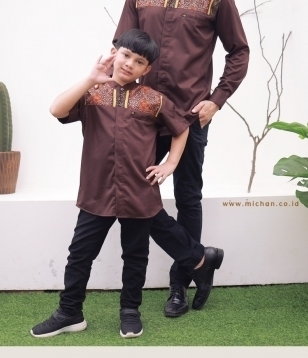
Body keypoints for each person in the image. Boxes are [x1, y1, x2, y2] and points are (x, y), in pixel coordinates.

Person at [113, 0, 250, 317]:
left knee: (188, 197)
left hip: (189, 117)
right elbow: (121, 47)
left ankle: (180, 285)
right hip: (141, 115)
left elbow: (239, 51)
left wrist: (216, 99)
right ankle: (199, 260)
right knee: (137, 197)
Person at [31, 30, 196, 339]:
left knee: (135, 256)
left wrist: (170, 164)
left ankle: (130, 311)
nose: (130, 64)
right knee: (80, 254)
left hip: (139, 192)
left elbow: (181, 127)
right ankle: (69, 312)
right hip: (96, 192)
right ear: (114, 54)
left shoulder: (153, 99)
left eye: (139, 61)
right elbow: (56, 110)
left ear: (147, 69)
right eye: (126, 55)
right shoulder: (92, 93)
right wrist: (90, 78)